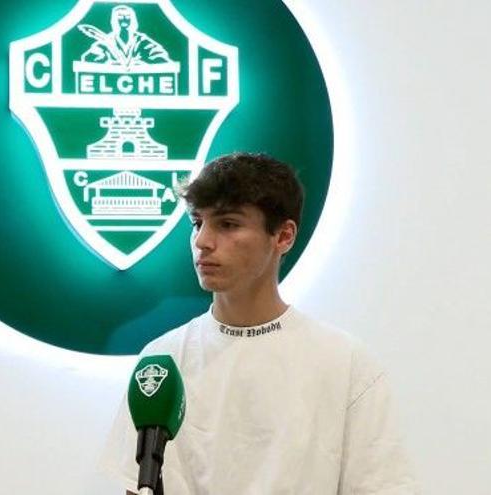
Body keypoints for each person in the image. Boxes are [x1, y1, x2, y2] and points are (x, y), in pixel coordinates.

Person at [99, 152, 419, 494]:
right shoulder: (162, 361)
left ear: (283, 237)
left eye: (228, 224)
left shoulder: (345, 363)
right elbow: (136, 487)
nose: (202, 241)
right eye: (197, 223)